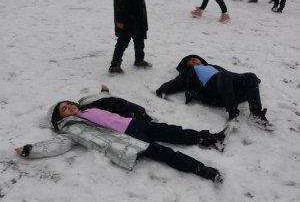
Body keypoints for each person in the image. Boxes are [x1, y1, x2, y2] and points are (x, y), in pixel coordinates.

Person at [15, 85, 232, 185]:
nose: (69, 108)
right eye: (64, 110)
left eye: (68, 104)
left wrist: (105, 92)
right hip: (127, 139)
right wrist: (30, 150)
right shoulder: (71, 128)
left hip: (133, 123)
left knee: (174, 131)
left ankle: (211, 138)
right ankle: (202, 170)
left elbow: (108, 104)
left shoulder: (87, 108)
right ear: (58, 119)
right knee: (165, 153)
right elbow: (57, 145)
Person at [156, 55, 272, 131]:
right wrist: (163, 89)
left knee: (250, 75)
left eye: (194, 58)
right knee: (223, 76)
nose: (192, 60)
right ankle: (233, 114)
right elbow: (176, 82)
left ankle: (256, 115)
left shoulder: (212, 66)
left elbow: (232, 75)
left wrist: (252, 81)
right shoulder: (189, 72)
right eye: (189, 61)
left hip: (227, 85)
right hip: (211, 91)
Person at [109, 0, 151, 73]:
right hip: (128, 13)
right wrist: (120, 19)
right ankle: (115, 65)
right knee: (124, 39)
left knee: (139, 35)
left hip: (136, 9)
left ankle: (139, 59)